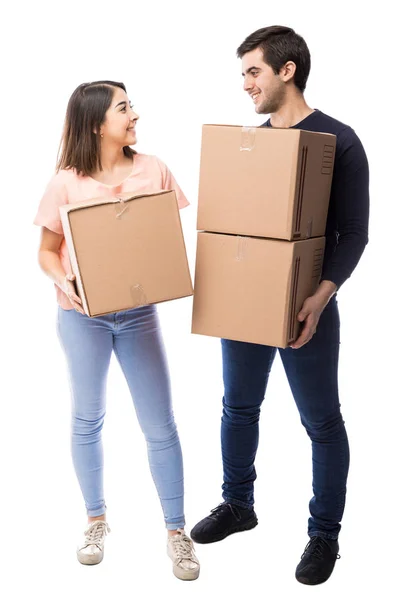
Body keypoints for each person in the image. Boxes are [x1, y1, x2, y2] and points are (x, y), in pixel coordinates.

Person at [191, 26, 369, 586]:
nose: (244, 84)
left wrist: (320, 297)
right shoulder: (251, 144)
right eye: (243, 73)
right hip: (247, 301)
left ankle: (324, 536)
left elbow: (353, 233)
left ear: (286, 70)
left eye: (253, 72)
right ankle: (238, 504)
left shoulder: (338, 140)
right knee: (237, 407)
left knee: (320, 422)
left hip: (305, 306)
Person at [34, 80, 199, 581]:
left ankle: (177, 532)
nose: (135, 116)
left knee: (160, 423)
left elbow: (162, 241)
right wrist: (67, 279)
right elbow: (44, 251)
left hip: (138, 315)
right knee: (88, 419)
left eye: (131, 107)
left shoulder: (155, 170)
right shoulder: (65, 182)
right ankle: (96, 520)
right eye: (124, 109)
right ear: (95, 123)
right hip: (80, 317)